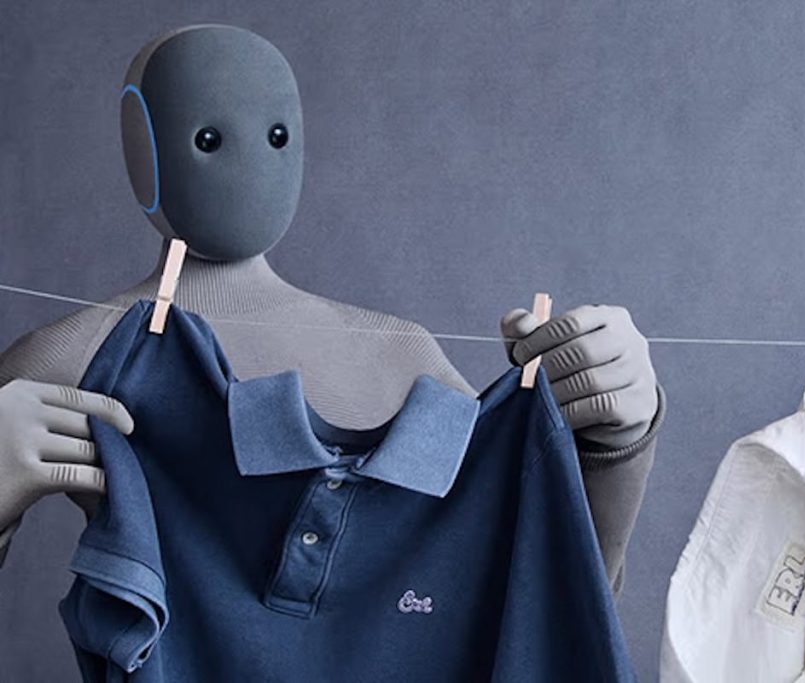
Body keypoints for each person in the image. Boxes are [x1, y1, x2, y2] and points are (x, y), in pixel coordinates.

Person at [0, 23, 666, 599]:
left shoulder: (400, 352)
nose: (247, 156)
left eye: (275, 133)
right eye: (208, 137)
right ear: (141, 140)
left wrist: (615, 440)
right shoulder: (81, 356)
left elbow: (554, 600)